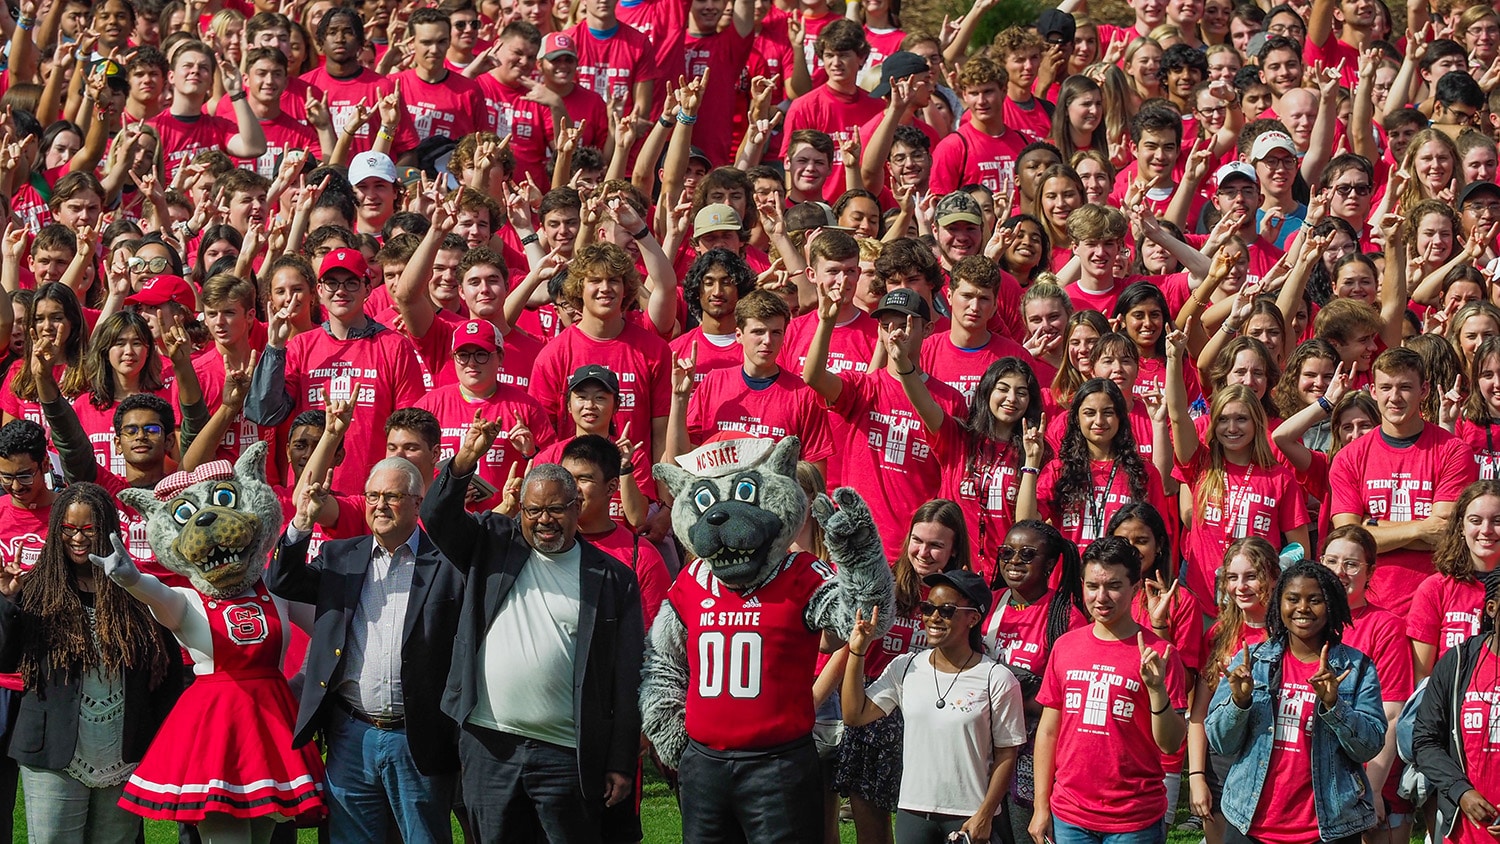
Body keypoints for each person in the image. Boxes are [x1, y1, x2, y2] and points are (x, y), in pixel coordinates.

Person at [419, 415, 644, 842]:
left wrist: (619, 759)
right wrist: (466, 459)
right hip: (489, 746)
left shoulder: (613, 577)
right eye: (534, 509)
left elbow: (626, 674)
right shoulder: (491, 542)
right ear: (520, 509)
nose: (545, 519)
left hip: (568, 755)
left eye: (556, 508)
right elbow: (436, 517)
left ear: (577, 506)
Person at [265, 456, 466, 844]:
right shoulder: (342, 556)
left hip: (418, 736)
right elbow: (283, 579)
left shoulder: (445, 563)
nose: (379, 505)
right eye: (372, 496)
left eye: (392, 496)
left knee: (424, 837)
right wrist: (302, 521)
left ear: (417, 502)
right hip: (350, 731)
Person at [0, 483, 179, 844]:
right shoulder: (33, 588)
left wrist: (156, 741)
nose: (77, 538)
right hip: (53, 751)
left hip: (123, 751)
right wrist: (6, 601)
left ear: (108, 529)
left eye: (89, 529)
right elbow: (4, 657)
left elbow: (167, 673)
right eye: (68, 529)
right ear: (56, 531)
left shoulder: (137, 590)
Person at [1205, 561, 1388, 844]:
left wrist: (1334, 706)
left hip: (1329, 829)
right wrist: (1239, 703)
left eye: (1315, 600)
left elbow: (1370, 745)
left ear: (1331, 605)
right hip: (1249, 824)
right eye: (1293, 599)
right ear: (1278, 604)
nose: (1303, 608)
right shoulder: (1252, 662)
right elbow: (1220, 742)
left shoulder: (1356, 667)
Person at [842, 569, 1027, 844]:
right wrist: (858, 651)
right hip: (913, 811)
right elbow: (854, 714)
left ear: (973, 618)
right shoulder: (906, 667)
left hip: (968, 813)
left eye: (947, 610)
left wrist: (985, 815)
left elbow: (1006, 755)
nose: (933, 618)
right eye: (928, 608)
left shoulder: (997, 678)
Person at [1030, 536, 1188, 844]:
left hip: (1134, 819)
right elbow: (1048, 732)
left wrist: (1156, 690)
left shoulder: (1160, 653)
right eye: (1092, 586)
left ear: (1135, 587)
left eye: (1114, 586)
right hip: (1069, 814)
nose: (1101, 597)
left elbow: (1170, 745)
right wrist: (1040, 806)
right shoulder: (1065, 647)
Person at [834, 499, 971, 844]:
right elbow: (848, 644)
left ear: (954, 550)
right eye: (918, 540)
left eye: (936, 545)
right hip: (876, 714)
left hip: (931, 721)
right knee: (873, 836)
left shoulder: (964, 594)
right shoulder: (884, 582)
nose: (923, 552)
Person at [1328, 347, 1478, 614]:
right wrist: (1419, 530)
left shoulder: (1454, 450)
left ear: (1425, 390)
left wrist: (1371, 526)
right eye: (1386, 388)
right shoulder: (1349, 458)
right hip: (1367, 607)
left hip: (1434, 602)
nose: (1394, 397)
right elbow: (1349, 541)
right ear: (1373, 391)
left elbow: (1443, 533)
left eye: (1405, 387)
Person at [1412, 571, 1500, 843]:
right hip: (1463, 833)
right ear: (1492, 607)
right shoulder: (1459, 662)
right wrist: (1461, 791)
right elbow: (1425, 741)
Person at [1410, 480, 1500, 681]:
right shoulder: (1435, 589)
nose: (1486, 530)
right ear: (1461, 527)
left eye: (1497, 520)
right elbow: (1422, 677)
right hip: (1448, 706)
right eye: (1476, 521)